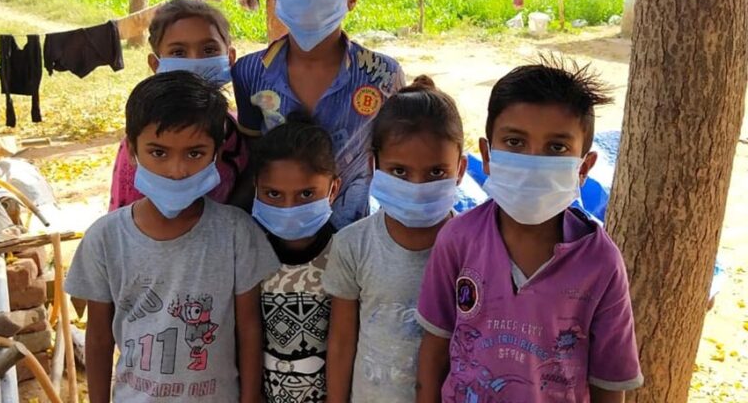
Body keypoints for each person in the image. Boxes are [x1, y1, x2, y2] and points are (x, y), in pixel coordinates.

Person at [415, 60, 644, 403]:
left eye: (556, 148)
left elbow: (609, 384)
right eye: (515, 142)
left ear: (584, 167)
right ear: (487, 155)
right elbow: (434, 352)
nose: (534, 161)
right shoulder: (458, 239)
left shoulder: (601, 262)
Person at [66, 71, 279, 403]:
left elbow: (249, 329)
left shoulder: (237, 233)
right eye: (159, 152)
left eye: (194, 153)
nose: (176, 170)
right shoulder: (105, 239)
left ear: (216, 153)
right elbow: (98, 339)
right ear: (132, 149)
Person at [232, 0, 405, 229]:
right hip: (272, 234)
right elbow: (251, 159)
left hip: (352, 234)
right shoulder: (249, 72)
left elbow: (395, 163)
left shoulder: (383, 75)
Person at [323, 76, 467, 402]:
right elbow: (342, 341)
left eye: (436, 172)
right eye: (400, 171)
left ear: (460, 169)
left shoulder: (473, 248)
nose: (417, 187)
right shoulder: (353, 245)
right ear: (374, 166)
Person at [109, 0, 249, 211]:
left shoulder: (240, 134)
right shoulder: (143, 142)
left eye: (209, 49)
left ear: (230, 58)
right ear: (155, 64)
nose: (195, 61)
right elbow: (124, 214)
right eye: (178, 52)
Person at [250, 112, 341, 402]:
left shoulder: (345, 254)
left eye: (306, 194)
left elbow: (346, 342)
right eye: (273, 194)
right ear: (255, 188)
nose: (289, 208)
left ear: (333, 189)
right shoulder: (250, 253)